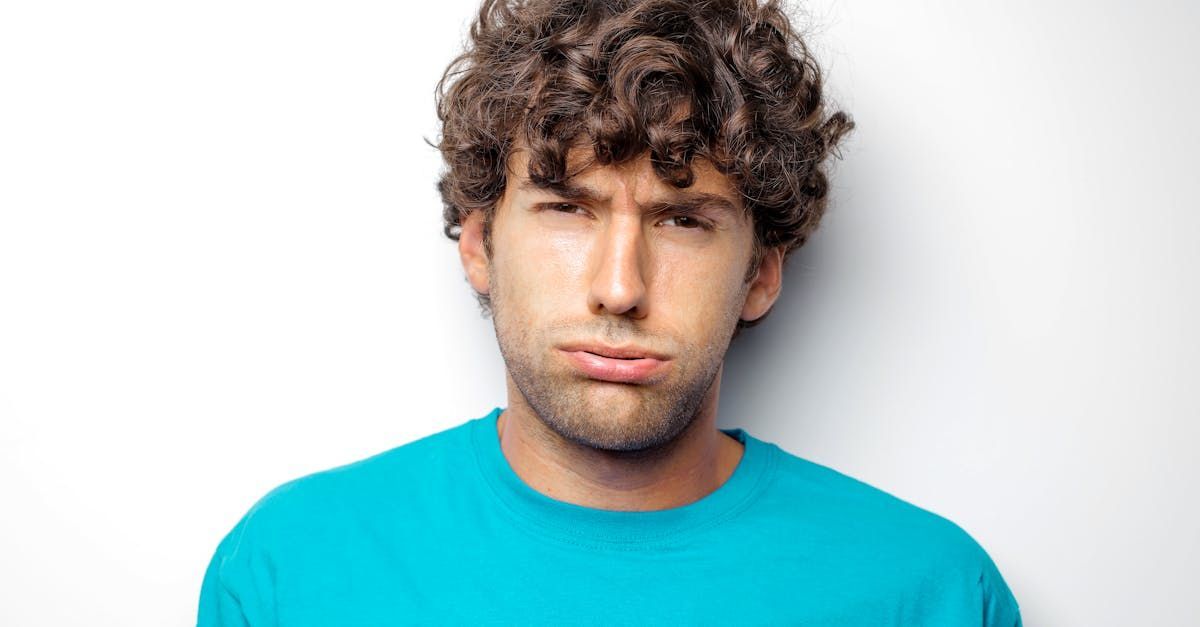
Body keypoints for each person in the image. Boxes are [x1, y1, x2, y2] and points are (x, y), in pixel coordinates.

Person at [198, 0, 1022, 624]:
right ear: (480, 244)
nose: (620, 287)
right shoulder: (290, 569)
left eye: (683, 220)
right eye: (568, 209)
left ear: (761, 273)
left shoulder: (931, 592)